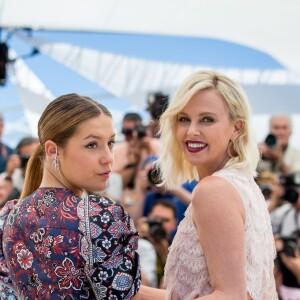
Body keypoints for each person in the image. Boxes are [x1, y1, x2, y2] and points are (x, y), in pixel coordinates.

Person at [140, 70, 277, 299]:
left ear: (237, 128)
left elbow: (229, 296)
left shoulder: (215, 189)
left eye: (207, 119)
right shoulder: (243, 184)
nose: (192, 131)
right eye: (184, 119)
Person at [0, 94, 140, 299]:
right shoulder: (98, 217)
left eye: (110, 142)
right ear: (52, 150)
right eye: (92, 145)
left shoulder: (8, 216)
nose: (108, 158)